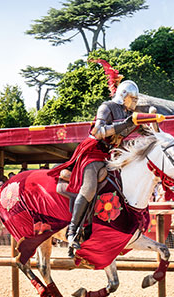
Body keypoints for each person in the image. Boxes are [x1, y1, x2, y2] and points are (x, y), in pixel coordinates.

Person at [48, 79, 149, 251]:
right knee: (89, 188)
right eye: (133, 98)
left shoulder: (127, 113)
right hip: (93, 151)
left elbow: (138, 131)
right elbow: (98, 131)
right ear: (124, 96)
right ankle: (72, 231)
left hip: (109, 155)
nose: (135, 102)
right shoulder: (106, 107)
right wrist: (126, 123)